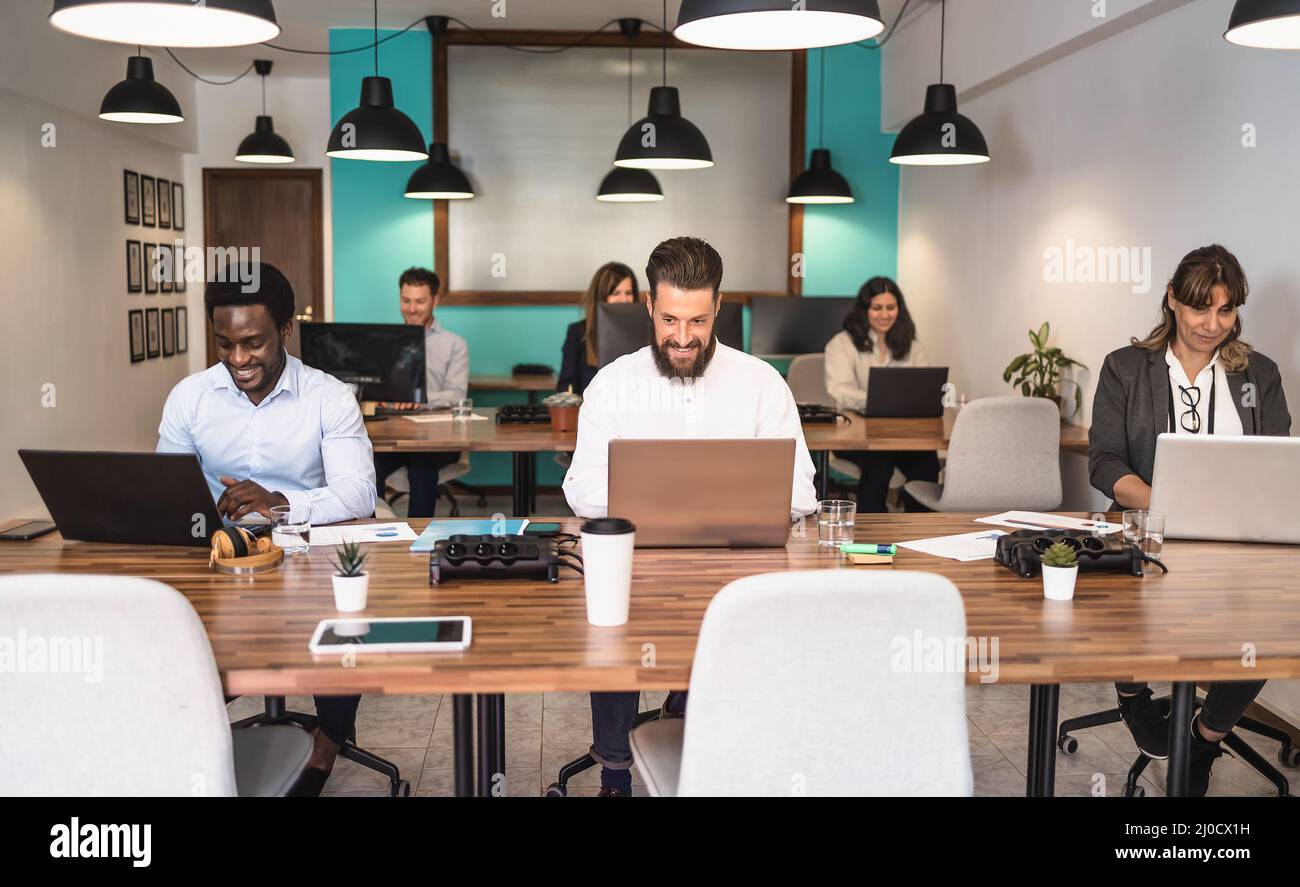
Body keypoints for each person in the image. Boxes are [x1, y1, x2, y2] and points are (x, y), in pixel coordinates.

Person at [564, 236, 818, 796]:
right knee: (613, 618)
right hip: (636, 563)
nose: (683, 337)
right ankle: (615, 771)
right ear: (650, 308)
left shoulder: (760, 383)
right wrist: (661, 504)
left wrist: (695, 503)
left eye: (698, 320)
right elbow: (581, 488)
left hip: (733, 568)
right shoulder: (613, 384)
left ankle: (682, 735)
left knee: (731, 629)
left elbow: (801, 489)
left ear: (719, 307)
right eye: (671, 319)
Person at [157, 261, 377, 796]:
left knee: (341, 617)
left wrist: (280, 501)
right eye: (224, 343)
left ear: (284, 331)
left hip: (307, 557)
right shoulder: (191, 397)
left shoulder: (328, 397)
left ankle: (326, 742)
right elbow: (165, 487)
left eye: (252, 343)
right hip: (219, 559)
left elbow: (358, 492)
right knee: (163, 630)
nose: (238, 359)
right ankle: (193, 723)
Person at [1089, 244, 1291, 796]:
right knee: (1117, 602)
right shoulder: (1126, 369)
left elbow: (1278, 463)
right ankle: (1134, 701)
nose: (1211, 324)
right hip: (1144, 528)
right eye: (1201, 308)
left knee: (1270, 621)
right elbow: (1105, 461)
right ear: (1173, 299)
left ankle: (1204, 736)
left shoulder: (1259, 374)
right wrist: (1162, 505)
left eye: (1226, 311)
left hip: (1236, 539)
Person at [824, 276, 939, 512]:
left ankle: (919, 528)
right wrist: (876, 400)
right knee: (879, 460)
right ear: (864, 309)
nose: (885, 314)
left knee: (927, 462)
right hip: (857, 436)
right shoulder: (841, 344)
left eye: (891, 307)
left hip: (903, 436)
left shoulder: (912, 345)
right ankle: (871, 526)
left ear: (899, 309)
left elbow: (923, 389)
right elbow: (840, 390)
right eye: (877, 308)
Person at [372, 266, 469, 517]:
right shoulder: (384, 341)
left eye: (420, 301)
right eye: (406, 301)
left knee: (422, 466)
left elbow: (457, 394)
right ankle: (374, 535)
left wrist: (419, 399)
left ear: (434, 301)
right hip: (395, 433)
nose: (412, 309)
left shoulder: (454, 344)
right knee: (367, 466)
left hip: (437, 437)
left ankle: (418, 541)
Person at [557, 262, 639, 396]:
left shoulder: (643, 333)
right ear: (600, 296)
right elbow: (566, 386)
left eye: (629, 293)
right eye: (615, 293)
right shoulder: (578, 332)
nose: (624, 299)